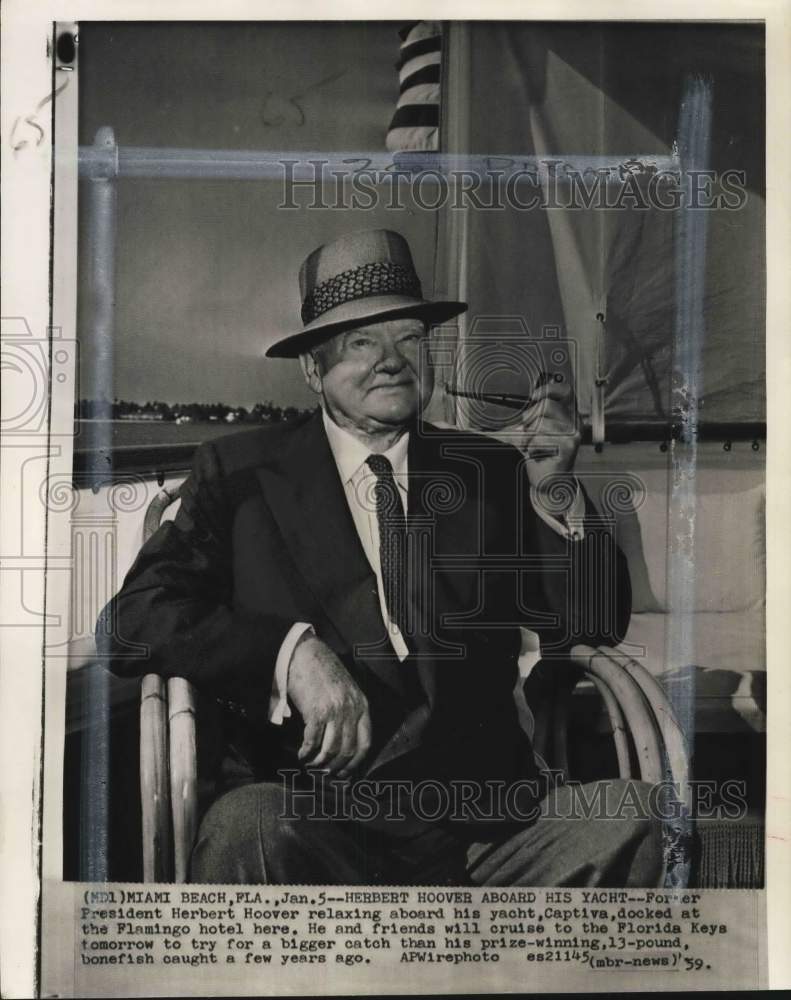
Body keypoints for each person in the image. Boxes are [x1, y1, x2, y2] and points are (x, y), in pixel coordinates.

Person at [98, 228, 661, 886]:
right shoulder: (241, 473)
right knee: (243, 830)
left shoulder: (487, 470)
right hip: (311, 825)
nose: (391, 361)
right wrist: (289, 654)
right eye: (362, 342)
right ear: (313, 368)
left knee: (644, 821)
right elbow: (133, 620)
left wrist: (553, 490)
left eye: (408, 339)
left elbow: (594, 621)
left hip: (489, 829)